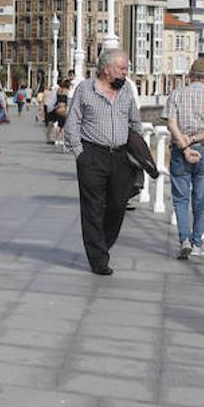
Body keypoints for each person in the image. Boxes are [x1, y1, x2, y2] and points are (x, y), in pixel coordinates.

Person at [64, 49, 143, 276]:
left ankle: (103, 244)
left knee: (118, 205)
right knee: (93, 208)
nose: (126, 73)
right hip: (92, 155)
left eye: (126, 68)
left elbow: (135, 122)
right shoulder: (84, 90)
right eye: (122, 68)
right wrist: (80, 154)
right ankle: (98, 258)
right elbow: (72, 123)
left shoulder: (126, 88)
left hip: (120, 156)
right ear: (107, 69)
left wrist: (137, 150)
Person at [165, 58, 204, 260]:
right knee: (200, 199)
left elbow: (171, 124)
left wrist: (184, 144)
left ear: (190, 75)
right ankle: (197, 243)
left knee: (181, 198)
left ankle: (184, 240)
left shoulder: (177, 94)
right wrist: (194, 139)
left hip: (179, 150)